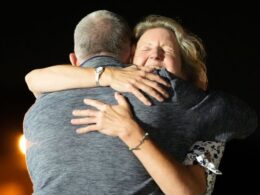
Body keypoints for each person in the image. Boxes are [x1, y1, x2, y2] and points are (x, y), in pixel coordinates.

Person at [23, 11, 257, 195]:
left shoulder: (196, 118)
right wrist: (109, 75)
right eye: (146, 48)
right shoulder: (68, 85)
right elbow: (32, 78)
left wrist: (131, 132)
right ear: (129, 57)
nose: (155, 56)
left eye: (167, 50)